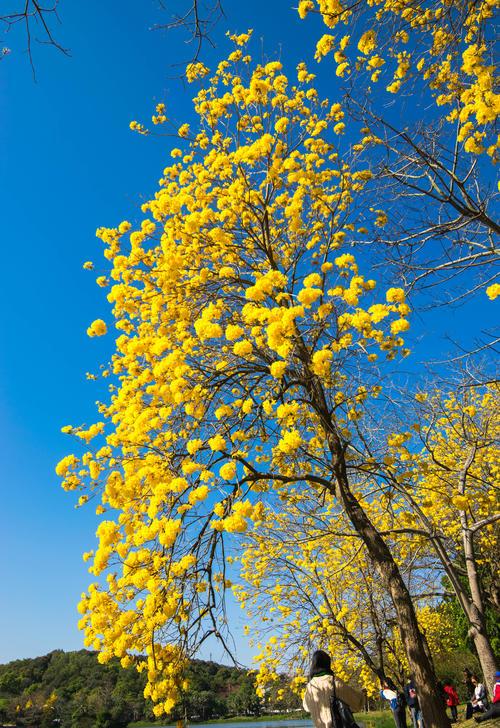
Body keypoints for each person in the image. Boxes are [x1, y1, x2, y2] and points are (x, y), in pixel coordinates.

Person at [302, 650, 364, 728]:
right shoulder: (334, 682)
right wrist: (362, 693)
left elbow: (306, 707)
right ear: (328, 664)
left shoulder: (310, 686)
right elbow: (357, 703)